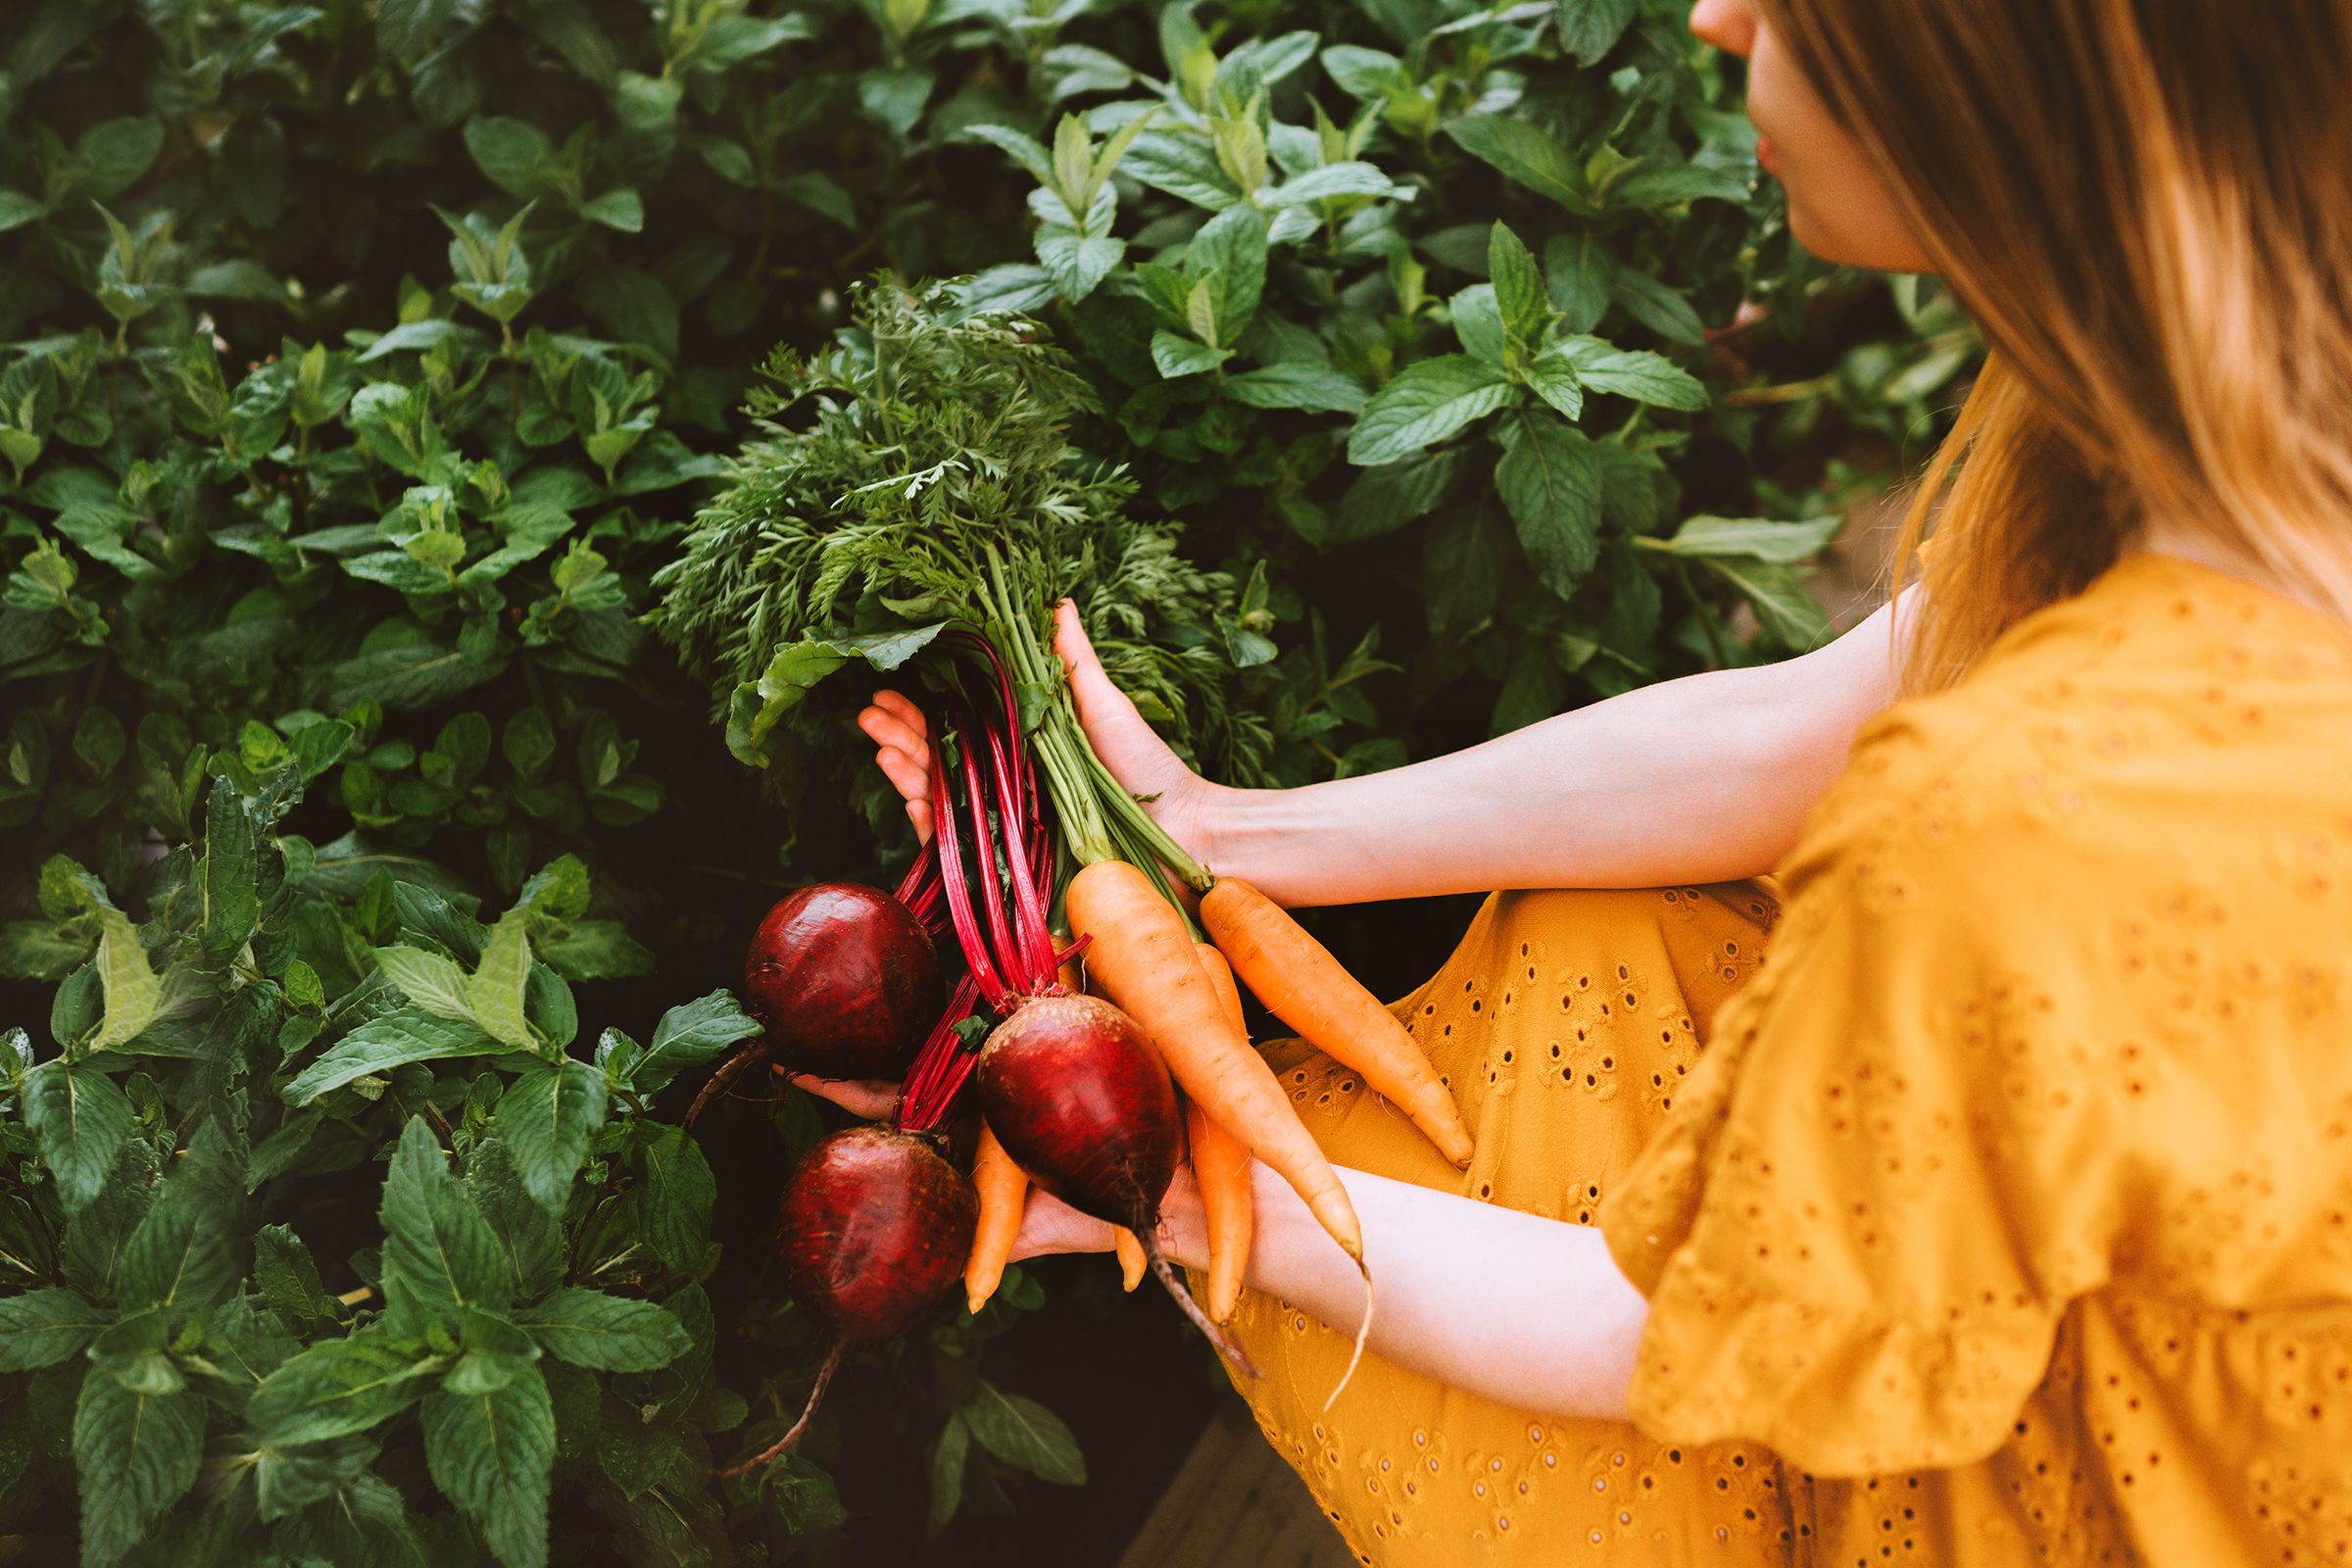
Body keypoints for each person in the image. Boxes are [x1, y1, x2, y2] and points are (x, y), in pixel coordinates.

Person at [837, 0, 2352, 1559]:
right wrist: (1225, 833)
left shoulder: (2025, 813)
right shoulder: (2257, 367)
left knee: (1410, 1238)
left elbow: (1638, 1327)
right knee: (1594, 954)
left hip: (2133, 1494)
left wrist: (1160, 1186)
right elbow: (1797, 737)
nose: (1715, 18)